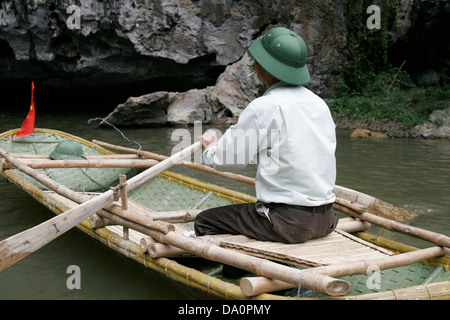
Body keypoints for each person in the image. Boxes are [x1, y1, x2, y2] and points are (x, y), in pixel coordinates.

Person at [194, 27, 338, 244]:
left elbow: (229, 160)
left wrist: (209, 148)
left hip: (288, 223)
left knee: (205, 221)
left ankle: (219, 272)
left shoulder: (263, 107)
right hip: (327, 220)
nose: (254, 65)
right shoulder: (319, 104)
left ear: (269, 69)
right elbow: (296, 150)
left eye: (258, 61)